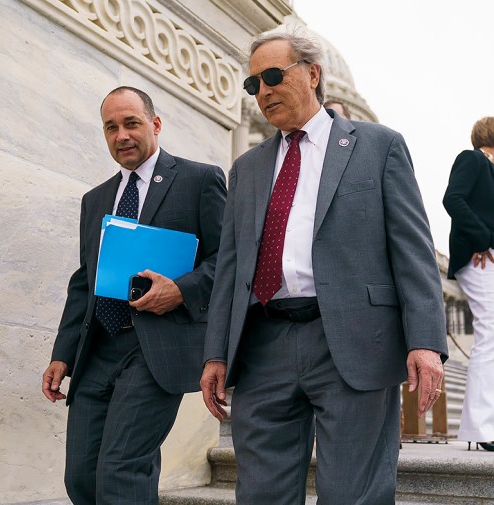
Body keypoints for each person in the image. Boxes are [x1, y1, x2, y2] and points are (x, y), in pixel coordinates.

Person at [199, 31, 447, 505]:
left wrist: (426, 342)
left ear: (313, 74)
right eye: (254, 85)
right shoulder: (247, 168)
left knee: (354, 494)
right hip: (263, 347)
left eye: (274, 76)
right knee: (260, 495)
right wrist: (216, 353)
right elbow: (230, 268)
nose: (264, 91)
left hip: (353, 341)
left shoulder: (379, 147)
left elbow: (413, 251)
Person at [41, 86, 227, 505]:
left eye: (131, 123)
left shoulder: (199, 179)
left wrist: (182, 289)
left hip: (156, 349)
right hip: (98, 351)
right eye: (111, 127)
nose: (121, 135)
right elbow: (84, 281)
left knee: (123, 470)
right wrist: (63, 354)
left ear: (155, 124)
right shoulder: (95, 200)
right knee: (82, 478)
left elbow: (228, 260)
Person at [442, 117, 494, 452]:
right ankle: (483, 430)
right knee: (490, 339)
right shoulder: (472, 158)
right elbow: (453, 199)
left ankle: (492, 429)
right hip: (483, 257)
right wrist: (482, 239)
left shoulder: (488, 168)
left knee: (493, 340)